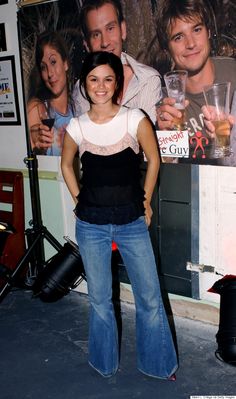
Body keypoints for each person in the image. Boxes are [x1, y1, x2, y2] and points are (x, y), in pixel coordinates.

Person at [61, 51, 178, 379]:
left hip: (131, 223)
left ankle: (157, 364)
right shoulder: (77, 126)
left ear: (117, 83)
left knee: (150, 298)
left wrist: (146, 202)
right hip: (90, 226)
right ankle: (104, 362)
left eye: (108, 79)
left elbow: (154, 161)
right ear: (85, 84)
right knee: (99, 300)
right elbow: (65, 165)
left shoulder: (134, 118)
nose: (100, 86)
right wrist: (78, 198)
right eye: (93, 79)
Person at [73, 0, 162, 262]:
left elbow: (146, 148)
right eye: (95, 33)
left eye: (110, 28)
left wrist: (146, 201)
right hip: (99, 194)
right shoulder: (81, 90)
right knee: (101, 279)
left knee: (147, 276)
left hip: (143, 187)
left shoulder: (149, 79)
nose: (105, 40)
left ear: (123, 29)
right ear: (87, 43)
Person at [155, 0, 236, 164]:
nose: (190, 44)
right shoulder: (167, 101)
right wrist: (167, 139)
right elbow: (171, 171)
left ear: (208, 32)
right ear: (167, 48)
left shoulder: (233, 73)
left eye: (197, 30)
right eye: (178, 37)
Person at [27, 31, 74, 156]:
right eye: (43, 67)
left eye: (53, 62)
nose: (49, 73)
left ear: (65, 63)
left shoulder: (77, 107)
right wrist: (34, 142)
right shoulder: (38, 109)